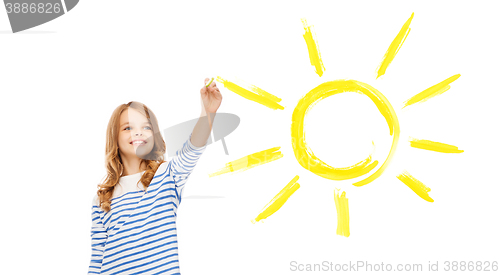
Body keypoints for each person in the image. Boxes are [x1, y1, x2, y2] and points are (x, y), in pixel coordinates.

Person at [88, 78, 222, 275]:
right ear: (114, 139)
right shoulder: (102, 198)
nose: (138, 133)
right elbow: (97, 258)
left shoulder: (167, 176)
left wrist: (208, 113)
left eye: (146, 127)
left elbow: (192, 149)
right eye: (128, 128)